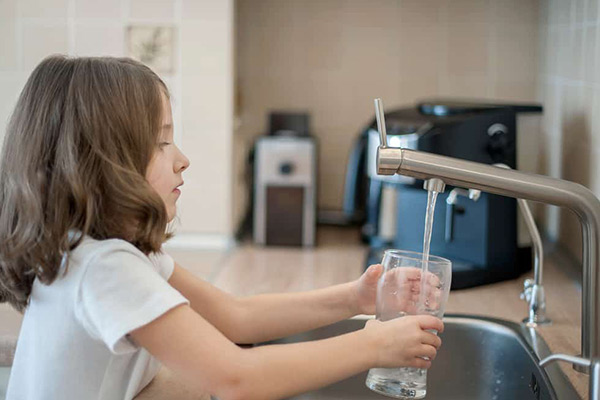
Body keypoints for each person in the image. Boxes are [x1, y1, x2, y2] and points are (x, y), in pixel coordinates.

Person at [0, 55, 443, 400]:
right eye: (160, 142)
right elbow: (237, 379)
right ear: (103, 163)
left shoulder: (106, 248)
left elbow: (236, 317)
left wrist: (357, 297)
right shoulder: (104, 266)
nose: (182, 158)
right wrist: (374, 347)